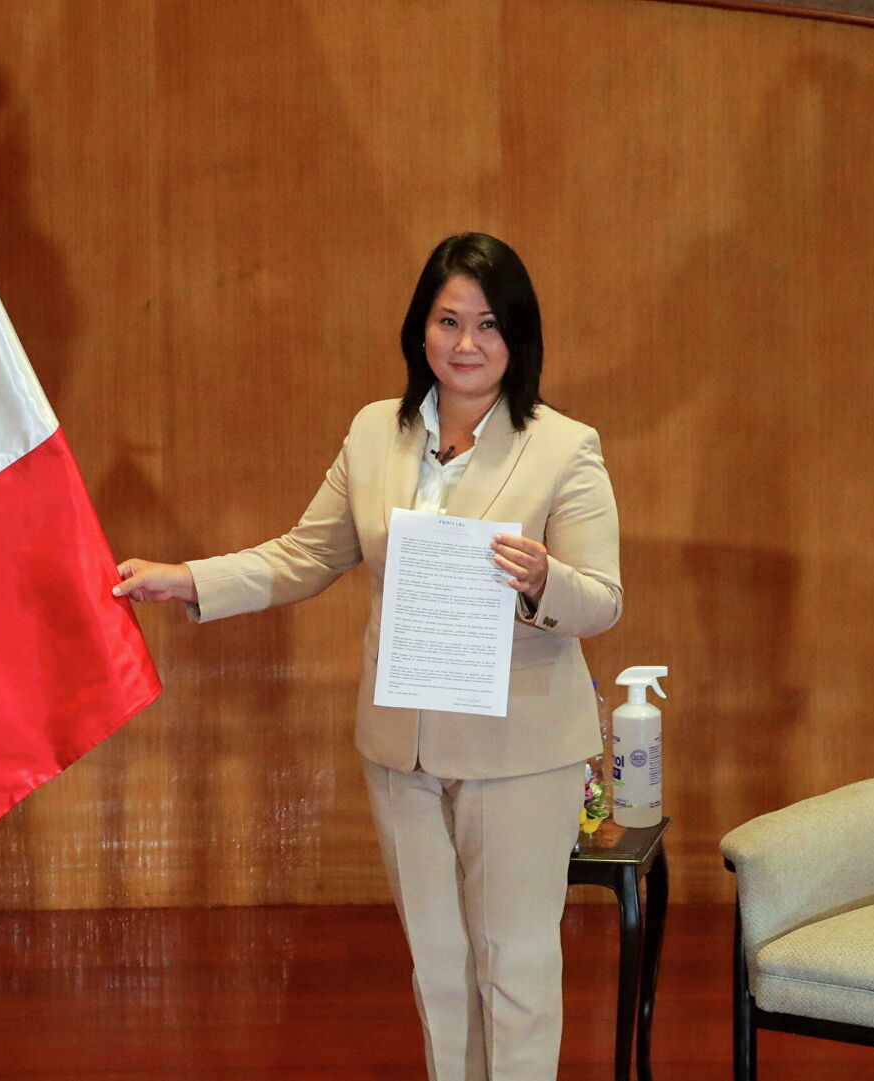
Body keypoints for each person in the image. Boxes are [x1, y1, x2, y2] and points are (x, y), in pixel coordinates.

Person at [115, 232, 620, 1080]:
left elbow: (602, 599)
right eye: (448, 320)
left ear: (518, 338)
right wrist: (187, 579)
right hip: (401, 747)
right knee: (439, 968)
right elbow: (303, 555)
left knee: (516, 968)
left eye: (489, 325)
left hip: (518, 749)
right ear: (419, 331)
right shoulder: (371, 435)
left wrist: (543, 580)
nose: (466, 344)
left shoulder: (565, 447)